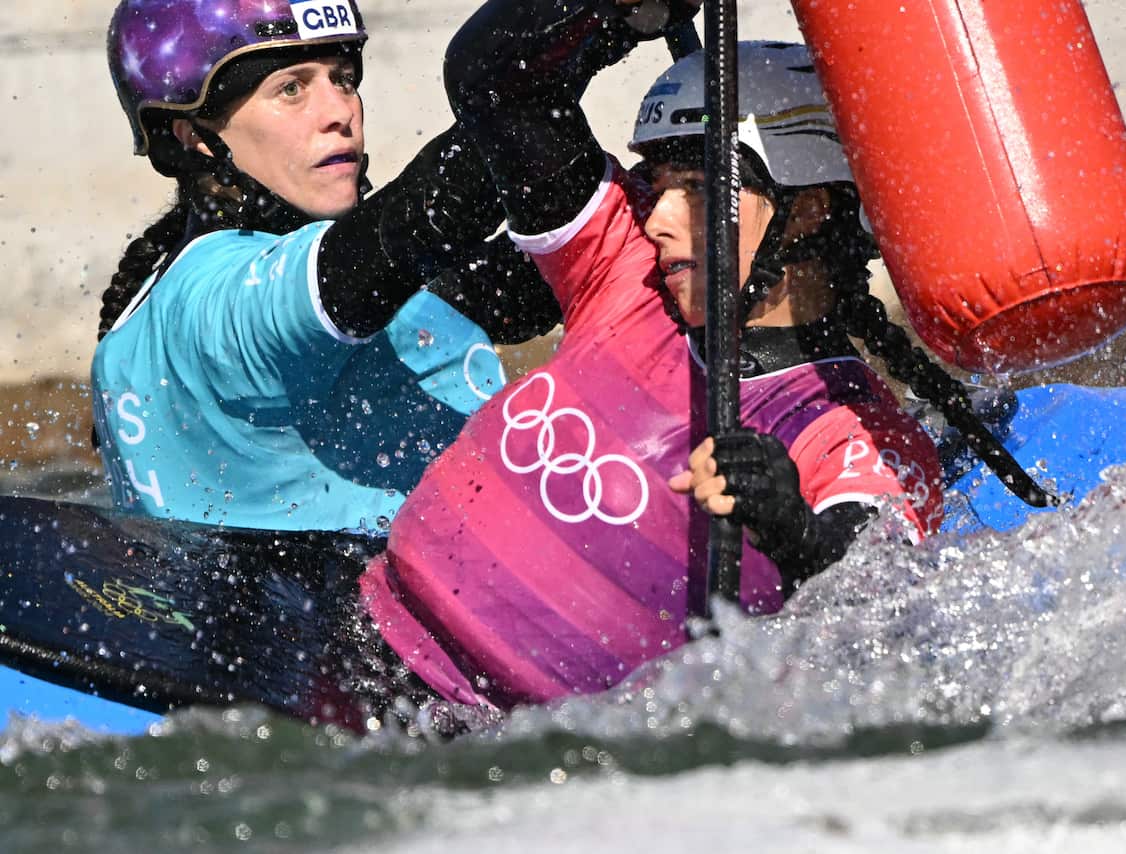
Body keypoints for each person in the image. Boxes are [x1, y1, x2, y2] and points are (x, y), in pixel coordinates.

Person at [358, 0, 991, 719]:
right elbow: (495, 79)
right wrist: (620, 14)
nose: (655, 219)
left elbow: (881, 590)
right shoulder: (626, 270)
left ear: (807, 209)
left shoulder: (852, 429)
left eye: (695, 190)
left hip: (524, 752)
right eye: (658, 185)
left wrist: (794, 529)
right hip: (368, 646)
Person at [94, 0, 559, 532]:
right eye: (291, 88)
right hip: (317, 608)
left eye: (342, 79)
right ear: (194, 135)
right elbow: (428, 214)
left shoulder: (376, 285)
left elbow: (547, 255)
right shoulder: (211, 304)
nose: (340, 111)